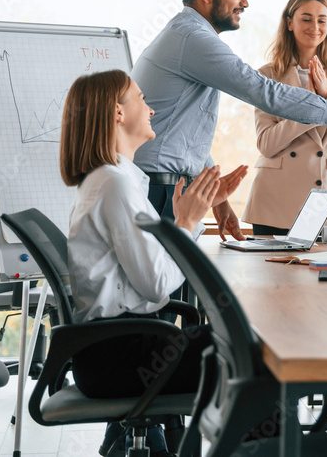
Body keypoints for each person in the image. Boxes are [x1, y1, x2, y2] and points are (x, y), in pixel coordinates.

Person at [131, 0, 327, 239]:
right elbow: (264, 92)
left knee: (171, 279)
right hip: (159, 188)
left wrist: (218, 198)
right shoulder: (194, 39)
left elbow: (185, 134)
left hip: (167, 186)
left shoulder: (188, 35)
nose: (245, 2)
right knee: (161, 280)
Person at [59, 69, 242, 456]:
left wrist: (184, 221)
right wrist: (187, 222)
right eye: (141, 99)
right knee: (254, 355)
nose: (152, 110)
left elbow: (152, 269)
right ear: (118, 113)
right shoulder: (115, 184)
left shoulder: (112, 180)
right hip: (120, 356)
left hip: (115, 350)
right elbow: (158, 286)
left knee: (246, 346)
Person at [242, 0, 327, 235]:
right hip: (275, 202)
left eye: (322, 20)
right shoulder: (268, 74)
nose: (315, 26)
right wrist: (309, 107)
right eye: (306, 18)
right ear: (289, 22)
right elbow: (266, 144)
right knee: (271, 273)